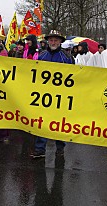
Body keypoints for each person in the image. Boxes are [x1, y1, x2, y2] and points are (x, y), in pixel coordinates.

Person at [31, 30, 75, 159]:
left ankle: (60, 147)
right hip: (44, 95)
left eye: (56, 40)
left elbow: (73, 77)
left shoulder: (67, 57)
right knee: (41, 121)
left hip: (60, 96)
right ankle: (40, 149)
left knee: (59, 122)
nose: (53, 42)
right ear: (47, 41)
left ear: (60, 41)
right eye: (51, 40)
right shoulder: (42, 56)